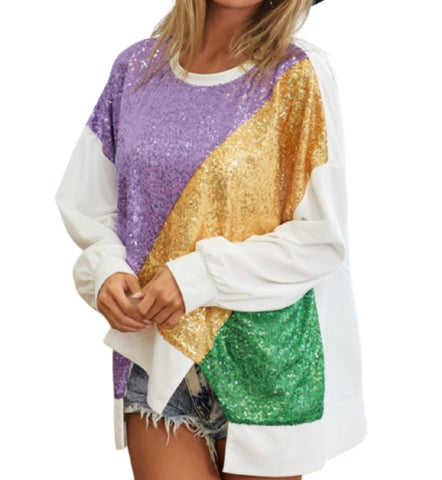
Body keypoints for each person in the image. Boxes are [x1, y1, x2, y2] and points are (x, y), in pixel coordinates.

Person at [54, 0, 368, 479]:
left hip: (266, 364)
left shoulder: (295, 73)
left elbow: (320, 238)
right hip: (155, 350)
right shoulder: (136, 69)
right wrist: (105, 269)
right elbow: (88, 200)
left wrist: (198, 276)